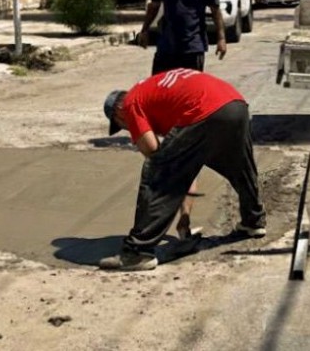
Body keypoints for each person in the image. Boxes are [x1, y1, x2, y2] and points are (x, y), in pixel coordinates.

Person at [99, 68, 267, 271]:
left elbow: (155, 155)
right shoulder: (152, 91)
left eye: (122, 126)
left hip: (204, 109)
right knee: (239, 165)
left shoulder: (130, 103)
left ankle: (137, 252)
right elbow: (187, 169)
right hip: (235, 104)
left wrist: (164, 171)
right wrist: (184, 220)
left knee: (157, 172)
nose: (128, 130)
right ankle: (253, 221)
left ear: (118, 112)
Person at [136, 0, 228, 238]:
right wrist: (144, 30)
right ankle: (162, 133)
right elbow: (154, 6)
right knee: (158, 92)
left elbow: (215, 11)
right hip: (167, 47)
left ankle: (184, 130)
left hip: (193, 48)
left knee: (187, 98)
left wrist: (222, 39)